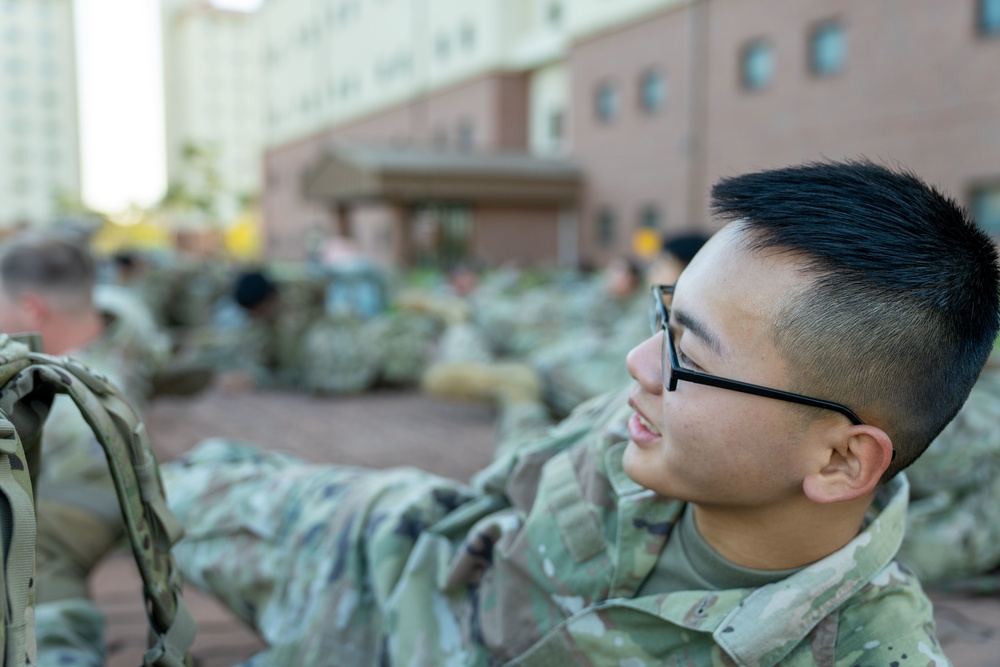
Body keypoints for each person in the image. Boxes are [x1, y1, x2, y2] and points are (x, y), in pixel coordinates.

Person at [162, 159, 998, 666]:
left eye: (688, 358)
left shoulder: (855, 647)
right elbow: (496, 496)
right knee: (150, 488)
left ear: (840, 461)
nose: (639, 366)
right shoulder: (647, 423)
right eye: (663, 323)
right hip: (387, 565)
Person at [0, 232, 167, 666]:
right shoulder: (124, 329)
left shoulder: (61, 414)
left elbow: (42, 547)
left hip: (83, 503)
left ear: (33, 309)